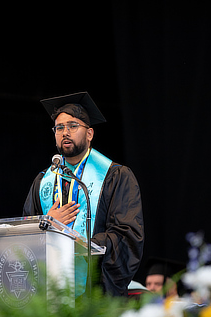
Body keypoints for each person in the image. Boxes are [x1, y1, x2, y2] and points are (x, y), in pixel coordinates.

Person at [23, 92, 144, 297]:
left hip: (95, 293)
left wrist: (82, 244)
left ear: (89, 134)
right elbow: (24, 235)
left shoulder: (116, 176)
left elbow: (127, 235)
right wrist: (47, 224)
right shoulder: (43, 181)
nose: (65, 132)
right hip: (49, 292)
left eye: (73, 126)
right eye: (59, 127)